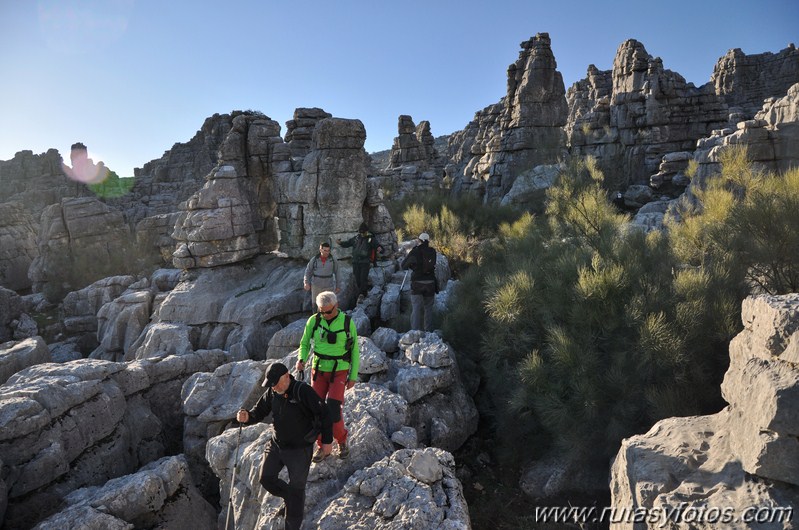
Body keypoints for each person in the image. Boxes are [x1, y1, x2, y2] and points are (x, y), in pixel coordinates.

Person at [236, 362, 332, 530]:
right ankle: (290, 497)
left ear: (287, 376)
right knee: (266, 478)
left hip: (299, 449)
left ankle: (292, 523)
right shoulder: (272, 393)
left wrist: (327, 442)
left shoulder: (302, 391)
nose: (273, 387)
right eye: (270, 384)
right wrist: (246, 417)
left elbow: (324, 414)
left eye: (275, 383)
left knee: (297, 488)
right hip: (277, 444)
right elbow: (258, 412)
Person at [295, 290, 359, 462]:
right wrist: (301, 359)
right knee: (316, 409)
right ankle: (322, 445)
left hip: (339, 370)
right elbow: (305, 343)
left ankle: (342, 441)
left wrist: (352, 376)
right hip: (319, 370)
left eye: (328, 311)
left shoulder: (347, 322)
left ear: (336, 306)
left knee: (332, 409)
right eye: (321, 311)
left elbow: (355, 351)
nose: (325, 315)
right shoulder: (314, 321)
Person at [401, 232, 438, 331]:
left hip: (417, 283)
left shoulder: (415, 251)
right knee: (428, 308)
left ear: (419, 240)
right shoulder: (432, 251)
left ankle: (414, 333)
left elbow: (403, 265)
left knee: (416, 308)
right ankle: (428, 332)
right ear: (428, 241)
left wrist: (412, 265)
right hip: (430, 283)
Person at [337, 222, 382, 302]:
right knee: (357, 278)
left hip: (365, 263)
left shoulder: (371, 239)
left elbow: (378, 246)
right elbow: (348, 243)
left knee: (363, 279)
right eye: (360, 232)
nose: (362, 234)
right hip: (356, 262)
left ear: (366, 231)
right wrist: (340, 243)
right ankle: (361, 293)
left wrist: (380, 249)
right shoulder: (356, 238)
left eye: (363, 232)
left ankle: (362, 295)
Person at [303, 241, 339, 313]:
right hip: (316, 286)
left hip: (329, 286)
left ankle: (329, 321)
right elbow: (308, 271)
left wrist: (338, 286)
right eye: (325, 250)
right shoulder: (314, 260)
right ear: (320, 250)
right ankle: (316, 320)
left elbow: (338, 273)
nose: (327, 252)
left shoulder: (333, 260)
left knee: (330, 305)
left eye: (328, 251)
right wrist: (306, 282)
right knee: (315, 305)